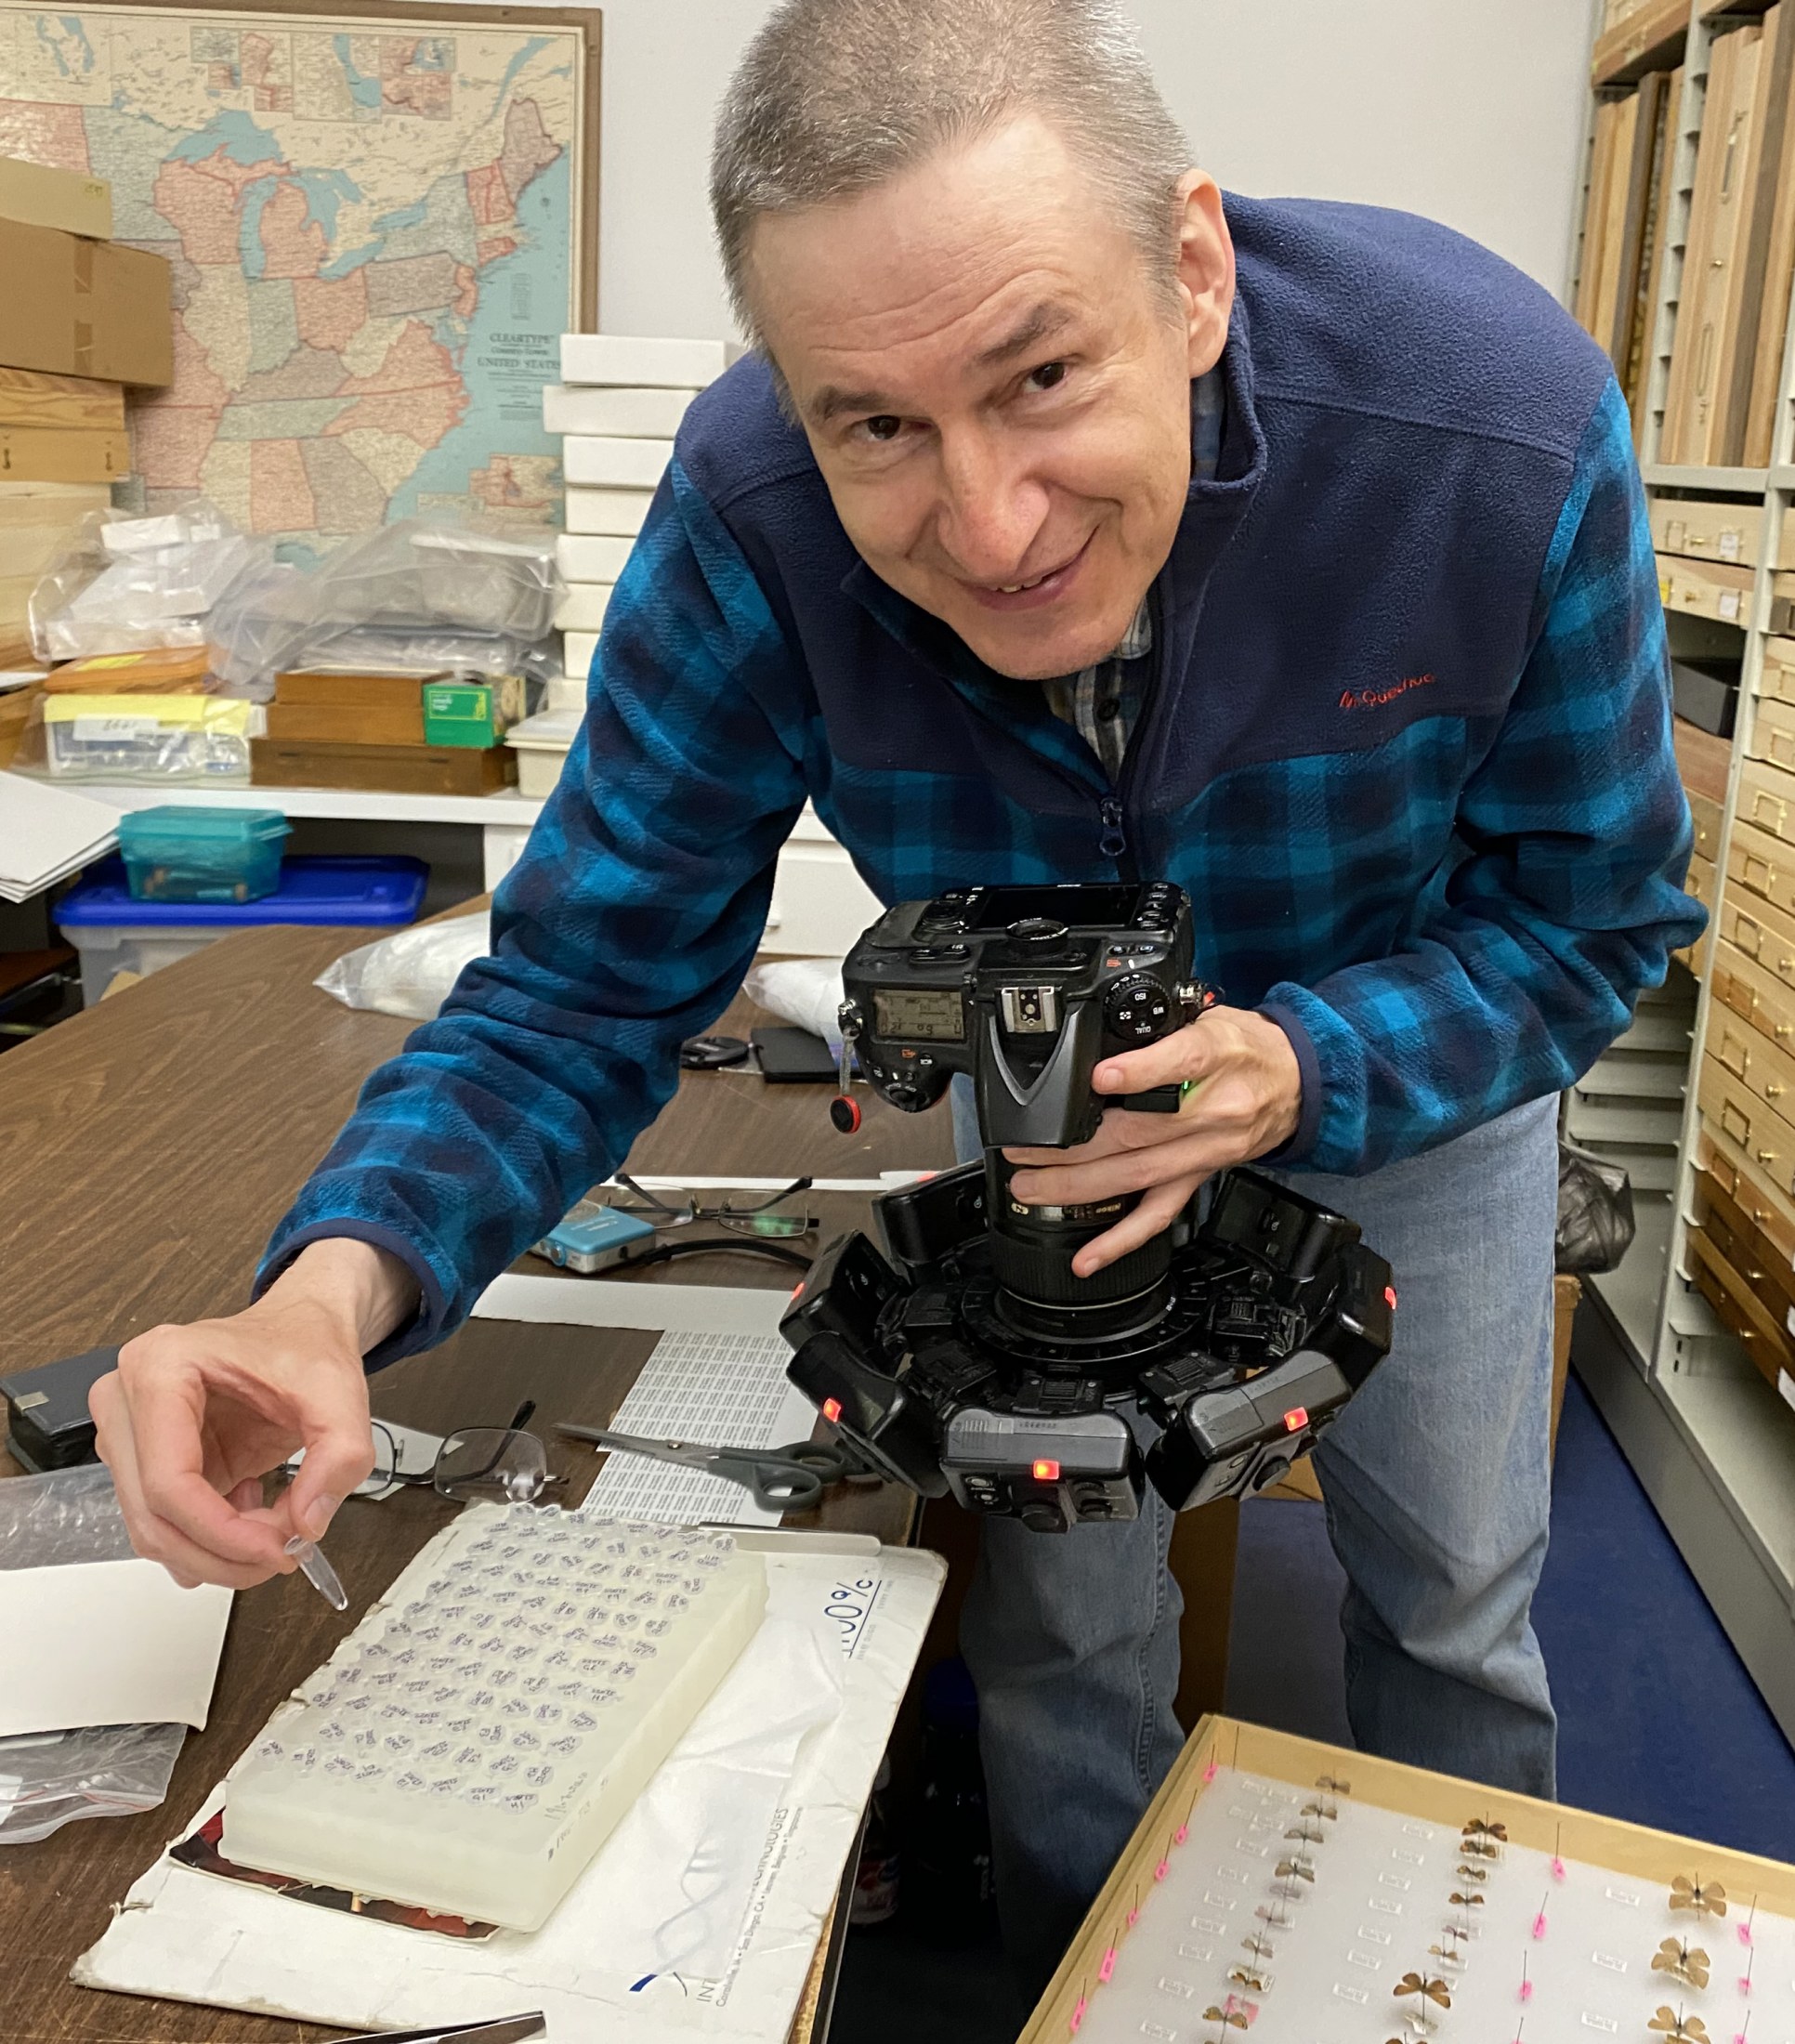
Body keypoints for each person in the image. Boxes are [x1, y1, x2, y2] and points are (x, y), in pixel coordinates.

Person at [92, 0, 1703, 1984]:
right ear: (792, 393)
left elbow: (1595, 913)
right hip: (1049, 1109)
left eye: (1040, 377)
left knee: (1454, 1587)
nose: (994, 522)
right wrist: (322, 1295)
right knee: (1061, 1606)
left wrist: (1307, 1063)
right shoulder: (748, 516)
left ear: (1189, 270)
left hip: (1415, 1062)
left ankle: (1491, 1997)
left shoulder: (1495, 435)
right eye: (878, 426)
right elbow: (588, 988)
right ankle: (1069, 1986)